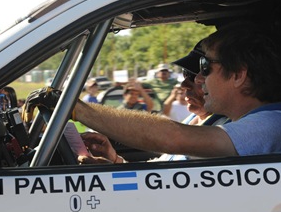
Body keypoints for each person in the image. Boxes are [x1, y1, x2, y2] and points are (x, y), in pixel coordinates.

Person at [79, 39, 227, 163]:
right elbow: (159, 170)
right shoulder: (193, 119)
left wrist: (77, 110)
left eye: (199, 74)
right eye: (185, 74)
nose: (184, 84)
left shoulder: (226, 128)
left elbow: (171, 136)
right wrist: (116, 161)